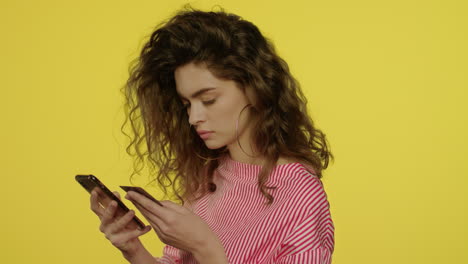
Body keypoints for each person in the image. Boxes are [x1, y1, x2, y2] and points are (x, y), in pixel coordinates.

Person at [89, 7, 335, 264]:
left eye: (208, 99)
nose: (194, 117)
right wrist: (133, 249)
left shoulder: (300, 194)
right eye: (186, 104)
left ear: (255, 89)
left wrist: (204, 246)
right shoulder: (207, 177)